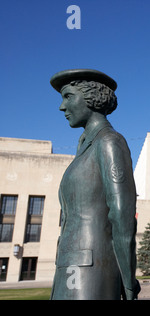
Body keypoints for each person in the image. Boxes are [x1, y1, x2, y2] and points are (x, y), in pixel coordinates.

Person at [49, 69, 140, 300]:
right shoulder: (85, 147)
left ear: (91, 97)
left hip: (91, 268)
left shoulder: (109, 142)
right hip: (71, 265)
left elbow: (122, 218)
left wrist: (128, 281)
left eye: (68, 96)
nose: (62, 107)